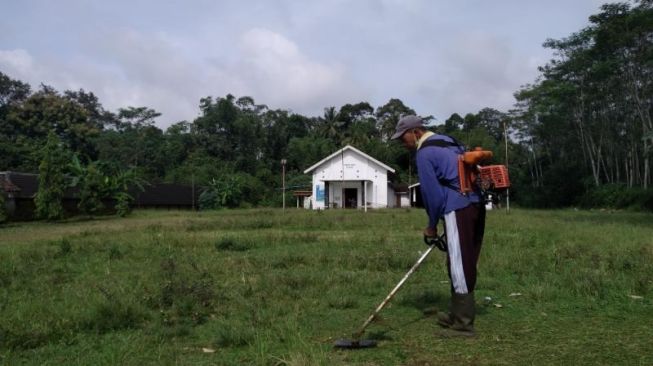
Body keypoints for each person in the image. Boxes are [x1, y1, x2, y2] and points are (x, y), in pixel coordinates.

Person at [391, 115, 486, 337]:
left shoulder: (424, 153)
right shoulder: (449, 140)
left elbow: (431, 195)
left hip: (457, 207)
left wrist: (431, 225)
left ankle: (463, 324)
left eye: (402, 138)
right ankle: (457, 313)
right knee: (463, 258)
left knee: (459, 264)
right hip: (476, 204)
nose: (402, 143)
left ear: (415, 132)